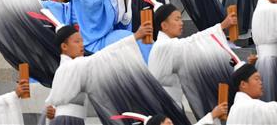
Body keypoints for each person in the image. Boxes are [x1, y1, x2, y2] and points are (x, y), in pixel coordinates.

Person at [45, 25, 190, 125]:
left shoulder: (69, 68)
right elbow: (102, 57)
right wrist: (134, 37)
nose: (82, 45)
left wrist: (51, 110)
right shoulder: (71, 66)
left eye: (82, 41)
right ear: (64, 47)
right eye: (77, 41)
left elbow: (52, 101)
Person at [148, 4, 237, 118]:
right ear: (164, 25)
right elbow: (191, 43)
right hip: (164, 106)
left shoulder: (166, 45)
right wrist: (221, 26)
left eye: (181, 18)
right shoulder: (164, 46)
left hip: (170, 102)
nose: (181, 23)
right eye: (177, 19)